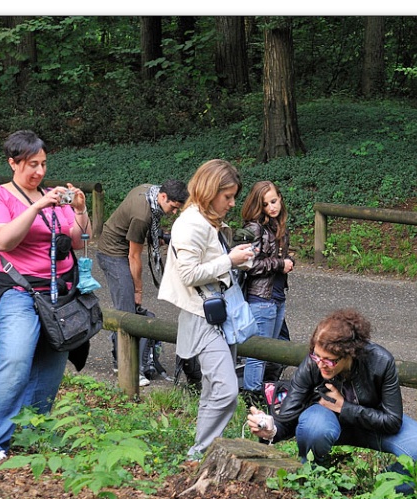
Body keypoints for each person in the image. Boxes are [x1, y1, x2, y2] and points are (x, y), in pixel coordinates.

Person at [0, 130, 92, 460]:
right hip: (19, 291)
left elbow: (79, 239)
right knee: (15, 360)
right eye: (31, 165)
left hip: (59, 294)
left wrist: (79, 211)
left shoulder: (54, 196)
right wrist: (37, 205)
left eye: (43, 164)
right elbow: (2, 241)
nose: (39, 172)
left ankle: (31, 437)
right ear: (12, 162)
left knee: (50, 368)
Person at [245, 308, 417, 495]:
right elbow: (289, 412)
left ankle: (380, 492)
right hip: (326, 423)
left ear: (350, 354)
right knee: (314, 426)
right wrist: (271, 429)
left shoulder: (381, 362)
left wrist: (344, 408)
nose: (321, 364)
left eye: (330, 360)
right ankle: (314, 482)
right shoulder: (314, 364)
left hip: (371, 424)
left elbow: (392, 421)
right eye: (317, 356)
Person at [158, 159, 256, 460]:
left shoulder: (207, 219)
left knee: (216, 389)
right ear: (210, 190)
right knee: (226, 391)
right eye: (227, 196)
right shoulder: (190, 223)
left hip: (217, 311)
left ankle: (202, 451)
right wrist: (230, 261)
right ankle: (199, 452)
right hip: (202, 316)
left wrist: (237, 260)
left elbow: (210, 265)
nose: (232, 202)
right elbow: (188, 274)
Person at [96, 179, 188, 386]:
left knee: (126, 309)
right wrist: (138, 289)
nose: (173, 213)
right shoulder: (142, 214)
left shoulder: (150, 191)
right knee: (128, 313)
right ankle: (129, 368)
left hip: (120, 248)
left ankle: (120, 359)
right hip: (113, 254)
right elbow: (134, 257)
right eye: (173, 207)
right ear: (163, 196)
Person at [238, 181, 295, 405]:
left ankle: (266, 392)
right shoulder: (254, 228)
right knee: (258, 352)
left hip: (278, 295)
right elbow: (248, 265)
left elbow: (275, 257)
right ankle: (252, 398)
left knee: (273, 349)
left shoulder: (276, 225)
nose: (272, 207)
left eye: (274, 201)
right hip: (261, 297)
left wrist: (287, 261)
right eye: (266, 204)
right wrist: (280, 264)